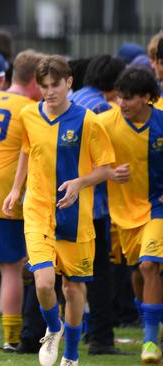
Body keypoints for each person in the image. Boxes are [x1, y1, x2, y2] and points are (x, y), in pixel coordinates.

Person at [2, 55, 115, 366]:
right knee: (43, 282)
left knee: (74, 288)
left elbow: (106, 168)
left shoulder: (88, 120)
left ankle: (72, 354)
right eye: (43, 86)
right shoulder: (28, 115)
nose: (49, 92)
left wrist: (80, 182)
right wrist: (15, 189)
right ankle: (53, 329)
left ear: (69, 83)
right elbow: (27, 151)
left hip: (76, 216)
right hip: (37, 209)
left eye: (55, 85)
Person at [0, 50, 44, 352]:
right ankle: (12, 336)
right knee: (12, 268)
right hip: (6, 197)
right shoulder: (30, 110)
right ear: (33, 80)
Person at [69, 54, 129, 356]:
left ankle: (34, 333)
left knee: (58, 271)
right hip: (93, 202)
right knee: (99, 273)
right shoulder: (103, 109)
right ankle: (101, 337)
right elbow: (107, 159)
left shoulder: (72, 97)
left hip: (62, 197)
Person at [103, 67, 163, 364]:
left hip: (157, 209)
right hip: (123, 213)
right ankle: (154, 322)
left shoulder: (162, 124)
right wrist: (109, 173)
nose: (121, 103)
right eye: (119, 97)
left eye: (128, 98)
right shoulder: (105, 123)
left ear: (147, 98)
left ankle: (150, 342)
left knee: (150, 266)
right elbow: (86, 159)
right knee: (138, 273)